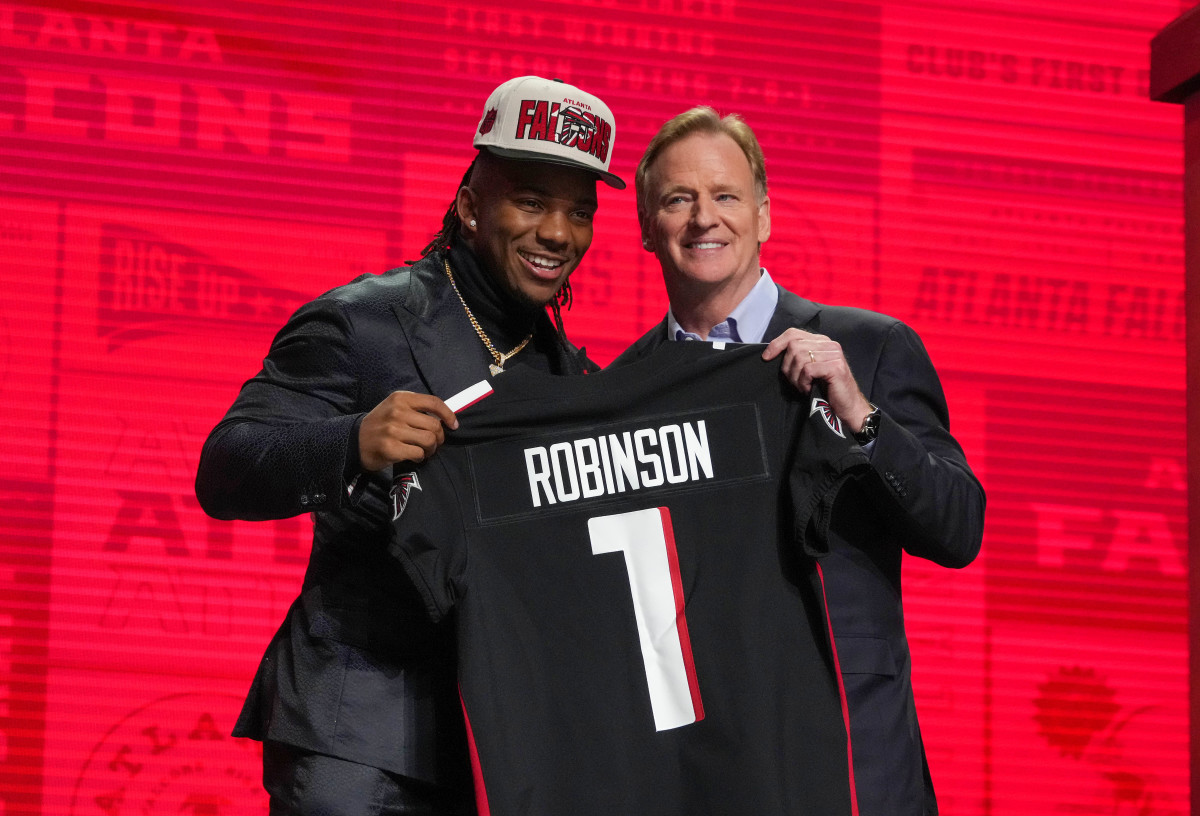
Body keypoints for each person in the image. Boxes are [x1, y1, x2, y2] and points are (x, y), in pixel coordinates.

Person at [195, 75, 624, 815]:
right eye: (530, 200)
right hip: (354, 734)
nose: (558, 232)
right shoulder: (366, 322)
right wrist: (351, 442)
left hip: (495, 755)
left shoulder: (576, 380)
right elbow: (226, 467)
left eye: (578, 212)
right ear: (468, 206)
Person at [613, 106, 986, 816]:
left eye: (724, 196)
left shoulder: (869, 349)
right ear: (645, 229)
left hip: (853, 756)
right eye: (677, 199)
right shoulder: (621, 392)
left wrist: (861, 415)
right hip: (699, 767)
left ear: (763, 215)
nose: (703, 220)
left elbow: (958, 526)